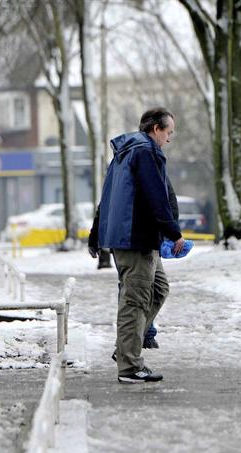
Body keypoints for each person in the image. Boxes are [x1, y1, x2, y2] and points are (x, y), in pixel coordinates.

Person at [88, 107, 184, 383]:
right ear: (156, 129)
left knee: (158, 288)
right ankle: (130, 366)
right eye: (168, 132)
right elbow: (157, 196)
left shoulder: (125, 153)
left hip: (133, 237)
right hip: (136, 237)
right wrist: (173, 232)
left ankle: (126, 348)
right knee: (135, 300)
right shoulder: (145, 152)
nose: (169, 138)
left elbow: (107, 195)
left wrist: (96, 232)